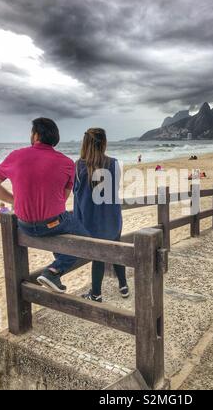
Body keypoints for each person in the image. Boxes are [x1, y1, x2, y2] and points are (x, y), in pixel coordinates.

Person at [0, 118, 89, 294]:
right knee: (87, 238)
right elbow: (62, 197)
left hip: (24, 225)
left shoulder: (15, 156)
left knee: (60, 225)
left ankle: (55, 276)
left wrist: (14, 201)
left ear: (36, 135)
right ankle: (54, 271)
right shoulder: (67, 163)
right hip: (52, 223)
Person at [74, 128, 129, 303]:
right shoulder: (115, 163)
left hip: (90, 220)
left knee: (98, 256)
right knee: (116, 249)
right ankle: (123, 285)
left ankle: (96, 293)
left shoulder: (78, 166)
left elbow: (77, 195)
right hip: (112, 217)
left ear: (85, 143)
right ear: (104, 143)